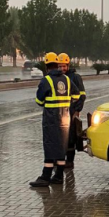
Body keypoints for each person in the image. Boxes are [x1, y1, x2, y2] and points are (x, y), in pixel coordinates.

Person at [29, 52, 80, 187]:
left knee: (50, 145)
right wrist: (68, 103)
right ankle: (58, 176)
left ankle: (45, 176)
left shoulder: (46, 80)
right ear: (57, 65)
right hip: (65, 118)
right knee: (62, 146)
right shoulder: (67, 79)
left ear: (46, 66)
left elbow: (39, 101)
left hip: (51, 119)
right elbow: (77, 95)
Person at [65, 60, 86, 168]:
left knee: (71, 137)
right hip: (62, 112)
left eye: (64, 66)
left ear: (68, 65)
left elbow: (82, 95)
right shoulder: (59, 78)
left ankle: (69, 161)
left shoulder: (75, 77)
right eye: (59, 66)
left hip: (72, 111)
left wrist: (77, 111)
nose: (62, 68)